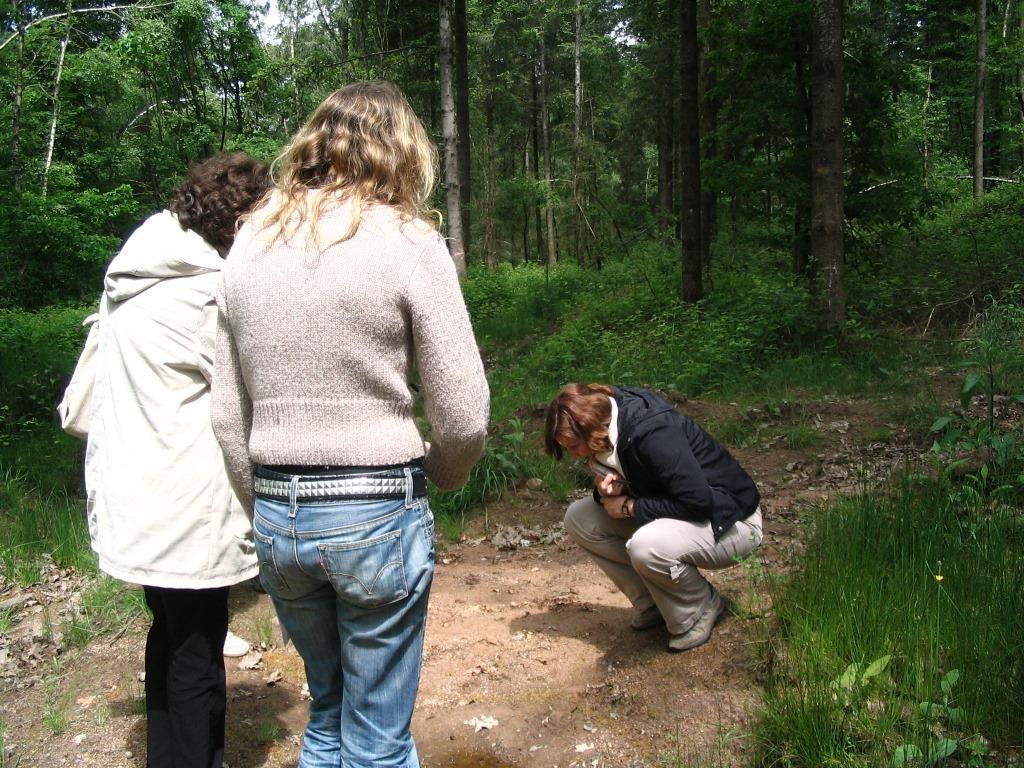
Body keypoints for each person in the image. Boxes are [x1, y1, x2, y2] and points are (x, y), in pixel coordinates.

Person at [211, 81, 490, 768]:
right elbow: (463, 413)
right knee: (377, 741)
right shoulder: (407, 240)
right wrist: (444, 475)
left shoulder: (247, 245)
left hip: (278, 516)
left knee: (328, 717)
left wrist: (269, 507)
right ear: (402, 151)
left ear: (312, 142)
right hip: (373, 513)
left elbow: (224, 415)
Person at [84, 152, 271, 767]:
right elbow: (249, 390)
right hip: (185, 504)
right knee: (196, 653)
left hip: (134, 493)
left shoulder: (133, 276)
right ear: (238, 222)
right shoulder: (201, 293)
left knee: (166, 636)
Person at [544, 383, 763, 652]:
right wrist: (608, 492)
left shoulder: (651, 431)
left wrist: (630, 507)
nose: (574, 455)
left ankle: (698, 607)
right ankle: (654, 603)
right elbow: (645, 479)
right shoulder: (609, 425)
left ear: (591, 425)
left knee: (646, 545)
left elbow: (697, 503)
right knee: (579, 517)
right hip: (690, 512)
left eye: (575, 446)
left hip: (733, 521)